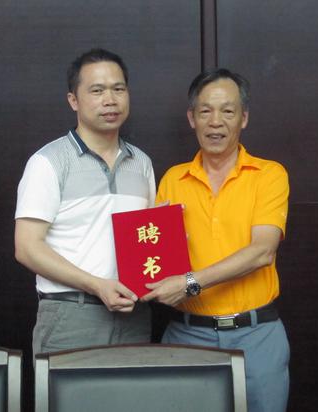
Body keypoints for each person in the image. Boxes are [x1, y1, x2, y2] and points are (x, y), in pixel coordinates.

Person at [142, 68, 290, 411]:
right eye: (205, 111)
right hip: (186, 335)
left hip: (256, 335)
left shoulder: (269, 175)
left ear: (244, 118)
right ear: (191, 118)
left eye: (228, 111)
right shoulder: (173, 179)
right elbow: (156, 256)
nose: (216, 122)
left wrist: (190, 282)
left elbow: (262, 252)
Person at [15, 48, 155, 357]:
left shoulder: (141, 163)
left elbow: (146, 239)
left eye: (118, 89)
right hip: (71, 314)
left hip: (133, 313)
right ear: (73, 100)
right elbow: (26, 248)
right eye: (97, 90)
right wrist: (96, 285)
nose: (110, 99)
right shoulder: (49, 162)